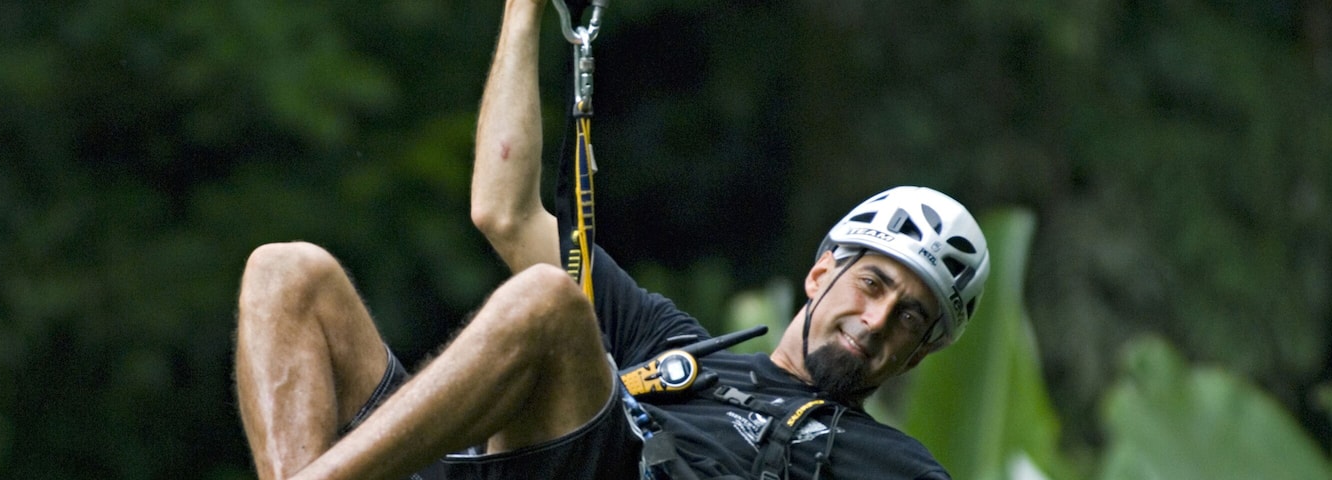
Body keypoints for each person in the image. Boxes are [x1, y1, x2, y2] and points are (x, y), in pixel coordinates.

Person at [232, 0, 989, 478]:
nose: (878, 321)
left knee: (546, 303)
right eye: (874, 284)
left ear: (921, 354)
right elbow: (504, 211)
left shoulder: (891, 466)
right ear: (822, 271)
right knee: (287, 273)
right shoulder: (671, 344)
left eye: (912, 320)